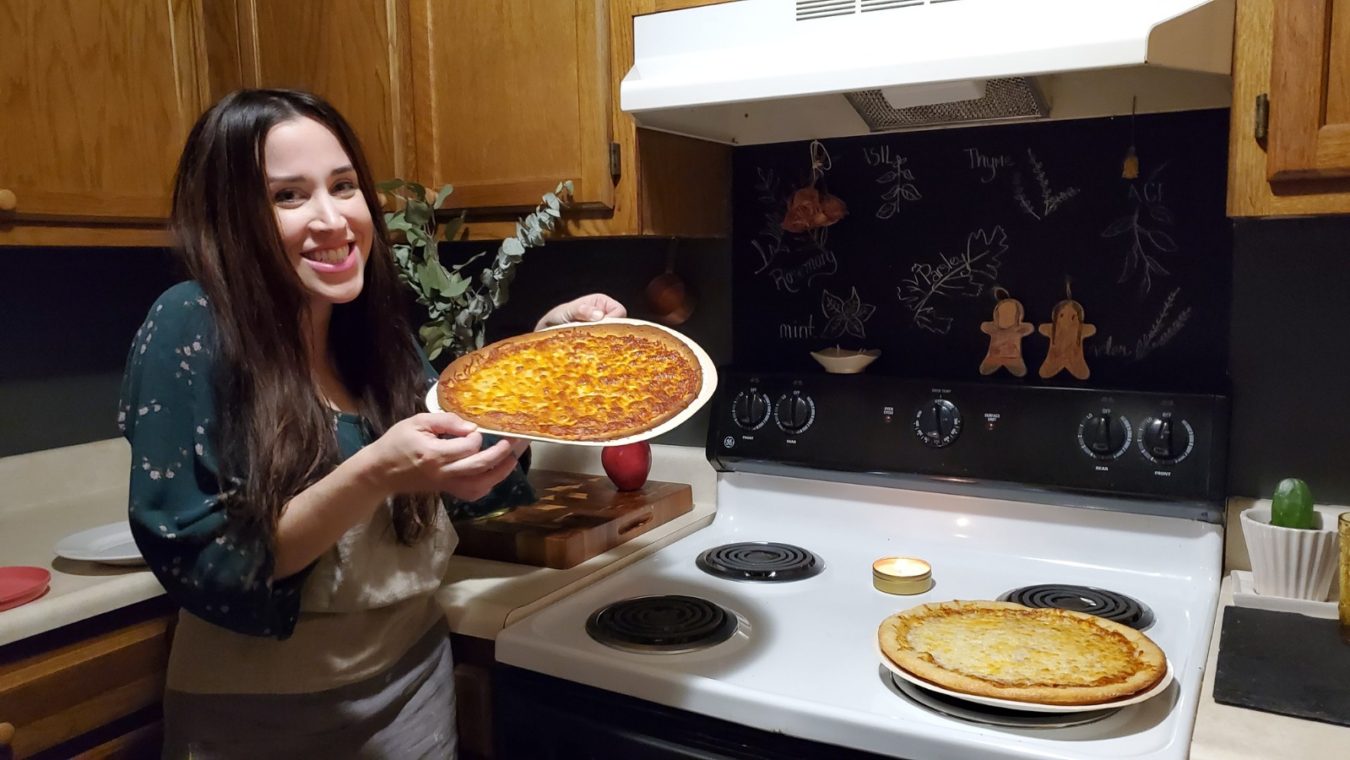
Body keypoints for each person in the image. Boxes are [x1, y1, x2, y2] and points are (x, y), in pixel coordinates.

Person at [118, 88, 625, 758]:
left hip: (415, 686)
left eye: (344, 185)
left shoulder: (374, 335)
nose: (332, 219)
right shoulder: (191, 325)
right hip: (258, 716)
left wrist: (541, 360)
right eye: (287, 196)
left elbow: (462, 475)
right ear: (231, 218)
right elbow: (206, 562)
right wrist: (378, 468)